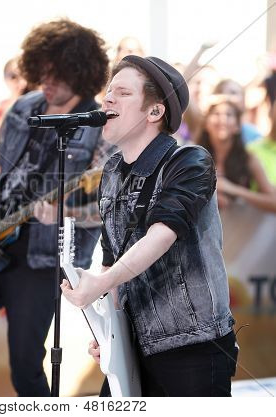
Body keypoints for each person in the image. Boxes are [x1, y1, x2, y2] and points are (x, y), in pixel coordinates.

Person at [0, 18, 111, 397]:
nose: (46, 83)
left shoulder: (99, 127)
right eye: (40, 73)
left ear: (80, 73)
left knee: (25, 368)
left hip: (41, 262)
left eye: (55, 75)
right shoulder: (24, 106)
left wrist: (67, 213)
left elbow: (109, 207)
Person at [61, 55, 238, 397]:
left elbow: (161, 236)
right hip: (134, 345)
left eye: (122, 92)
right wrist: (109, 334)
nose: (107, 99)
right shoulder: (111, 172)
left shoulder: (190, 160)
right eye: (108, 92)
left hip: (193, 348)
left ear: (155, 112)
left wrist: (101, 282)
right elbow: (111, 258)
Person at [196, 95, 276, 212]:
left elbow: (273, 201)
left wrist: (233, 189)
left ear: (237, 126)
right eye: (216, 114)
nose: (222, 119)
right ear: (206, 124)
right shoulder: (194, 157)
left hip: (241, 227)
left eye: (229, 115)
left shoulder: (248, 158)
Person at [0, 56, 29, 144]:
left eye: (25, 75)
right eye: (14, 77)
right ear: (5, 78)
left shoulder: (38, 107)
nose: (22, 83)